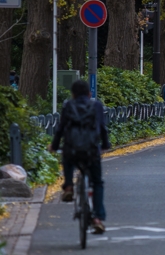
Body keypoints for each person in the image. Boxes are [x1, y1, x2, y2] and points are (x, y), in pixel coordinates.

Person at [50, 79, 110, 234]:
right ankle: (97, 217)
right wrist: (105, 146)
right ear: (89, 93)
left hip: (72, 149)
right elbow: (102, 128)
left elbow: (61, 129)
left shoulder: (68, 105)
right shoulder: (96, 105)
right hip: (91, 150)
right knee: (97, 183)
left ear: (73, 94)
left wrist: (54, 146)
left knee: (68, 158)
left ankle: (69, 185)